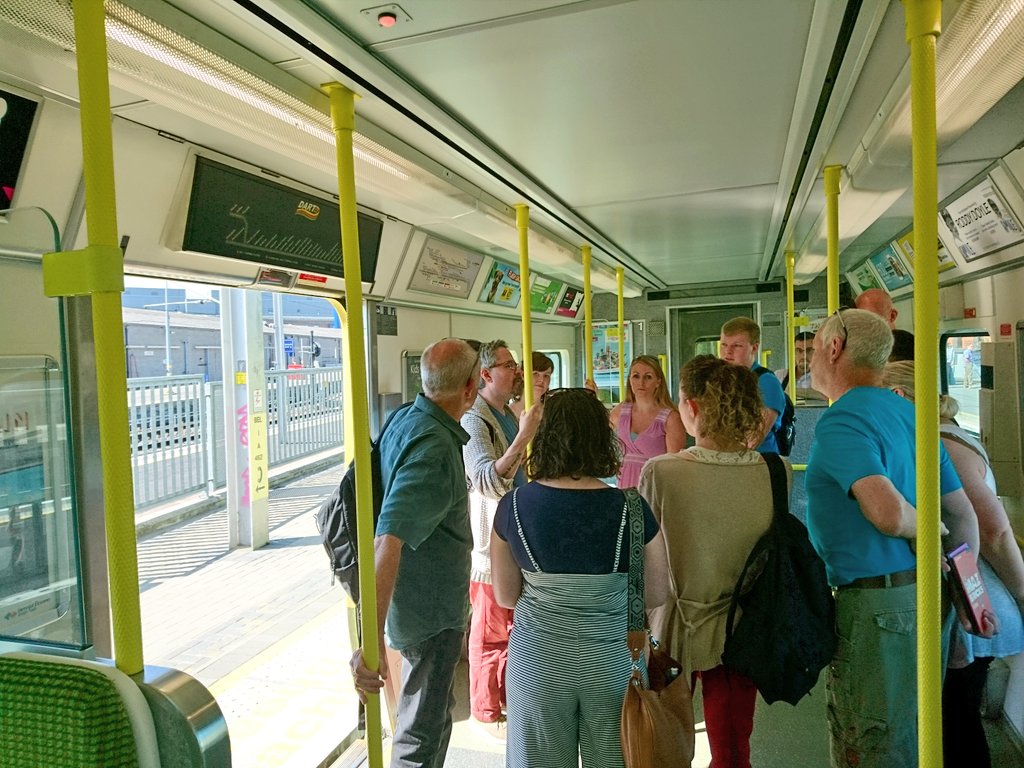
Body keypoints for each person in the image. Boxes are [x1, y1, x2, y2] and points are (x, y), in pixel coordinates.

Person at [805, 309, 982, 768]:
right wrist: (966, 591)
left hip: (878, 609)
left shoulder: (843, 420)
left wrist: (927, 532)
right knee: (914, 733)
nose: (809, 354)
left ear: (835, 347)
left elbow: (885, 511)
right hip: (929, 597)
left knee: (874, 743)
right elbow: (962, 514)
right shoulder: (910, 413)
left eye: (814, 343)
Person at [490, 387, 670, 768]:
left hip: (539, 661)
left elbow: (506, 596)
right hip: (614, 663)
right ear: (602, 439)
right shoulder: (634, 509)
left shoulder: (513, 507)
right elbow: (656, 593)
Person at [640, 355, 789, 768]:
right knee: (733, 750)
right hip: (743, 626)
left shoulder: (661, 472)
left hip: (672, 628)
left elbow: (647, 555)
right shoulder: (778, 471)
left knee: (665, 742)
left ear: (694, 407)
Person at [882, 363, 1024, 768]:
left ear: (898, 398)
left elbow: (993, 531)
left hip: (976, 600)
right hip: (968, 598)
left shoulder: (946, 446)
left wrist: (1021, 593)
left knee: (955, 724)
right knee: (951, 720)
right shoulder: (933, 438)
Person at [349, 338, 480, 768]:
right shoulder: (434, 451)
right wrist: (370, 640)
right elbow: (389, 538)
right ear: (470, 389)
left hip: (424, 605)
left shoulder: (405, 417)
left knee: (434, 718)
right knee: (418, 738)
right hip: (430, 614)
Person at [461, 339, 543, 737]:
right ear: (486, 373)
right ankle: (485, 708)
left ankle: (507, 697)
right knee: (490, 631)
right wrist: (524, 436)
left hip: (515, 536)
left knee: (511, 627)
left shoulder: (505, 414)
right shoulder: (474, 420)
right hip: (490, 544)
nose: (517, 373)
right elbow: (486, 480)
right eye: (509, 365)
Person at [608, 355, 685, 487]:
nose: (641, 383)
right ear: (630, 380)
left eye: (648, 377)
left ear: (658, 382)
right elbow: (597, 434)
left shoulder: (670, 418)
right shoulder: (621, 411)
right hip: (624, 485)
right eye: (636, 376)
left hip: (655, 486)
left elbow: (674, 466)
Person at [720, 317, 787, 453]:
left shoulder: (766, 382)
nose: (728, 351)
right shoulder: (722, 380)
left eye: (737, 346)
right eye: (723, 345)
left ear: (754, 348)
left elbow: (753, 439)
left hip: (760, 465)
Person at [774, 330, 825, 400]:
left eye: (809, 350)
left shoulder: (825, 377)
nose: (803, 355)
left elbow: (827, 396)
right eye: (799, 350)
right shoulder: (779, 376)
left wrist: (791, 391)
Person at [509, 351, 554, 418]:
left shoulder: (553, 411)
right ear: (523, 375)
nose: (541, 380)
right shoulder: (509, 413)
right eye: (535, 374)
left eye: (546, 376)